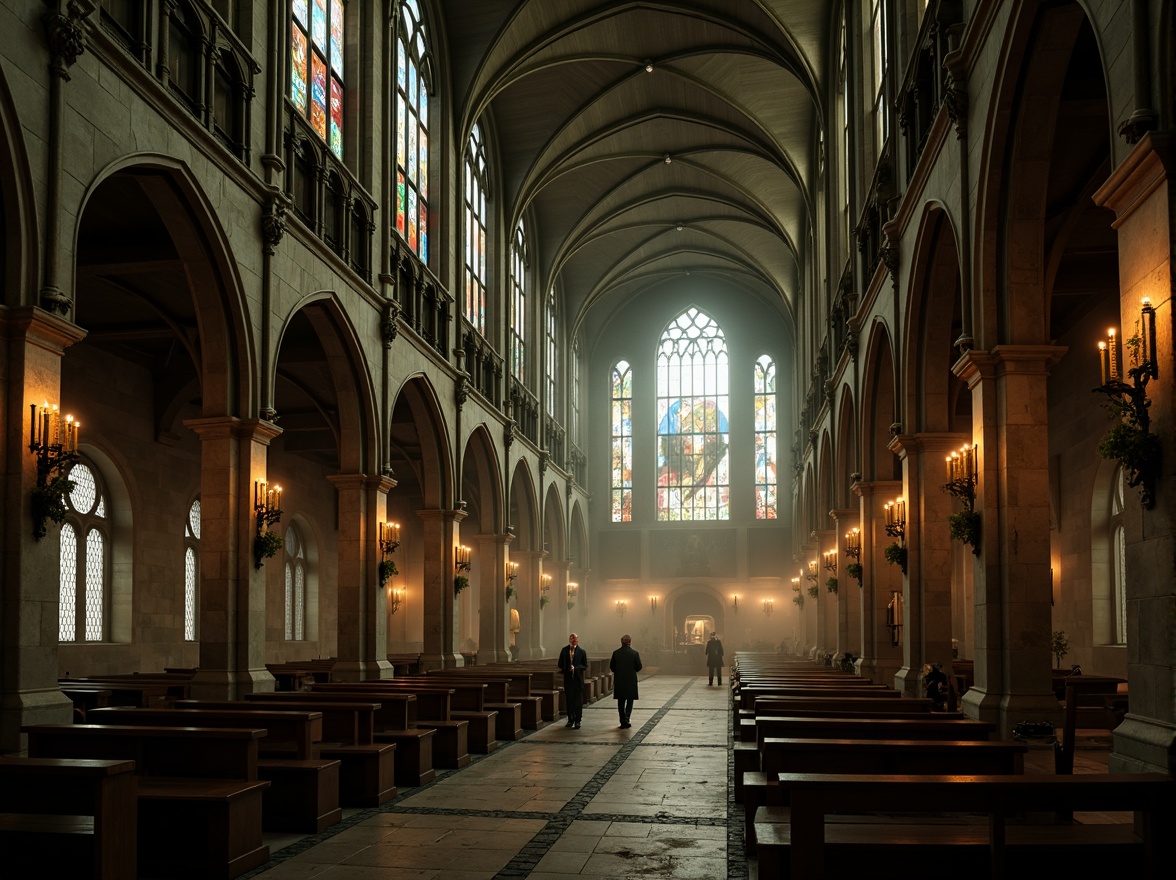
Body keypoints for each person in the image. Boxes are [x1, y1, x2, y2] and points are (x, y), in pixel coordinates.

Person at [609, 634, 643, 729]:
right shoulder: (634, 653)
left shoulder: (616, 653)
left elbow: (612, 667)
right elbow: (639, 666)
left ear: (621, 642)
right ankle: (627, 718)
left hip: (619, 680)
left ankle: (622, 719)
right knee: (630, 700)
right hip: (630, 680)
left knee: (621, 701)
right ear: (630, 642)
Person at [557, 632, 587, 728]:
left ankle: (578, 720)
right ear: (569, 640)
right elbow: (560, 664)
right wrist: (567, 668)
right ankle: (570, 719)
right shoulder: (564, 650)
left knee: (578, 701)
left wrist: (576, 668)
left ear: (577, 640)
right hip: (568, 679)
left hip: (578, 680)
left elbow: (585, 666)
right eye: (572, 638)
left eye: (575, 639)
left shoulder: (582, 652)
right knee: (569, 700)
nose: (573, 640)